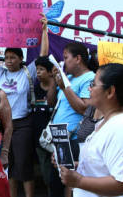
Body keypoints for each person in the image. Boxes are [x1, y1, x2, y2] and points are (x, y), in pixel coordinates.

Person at [0, 12, 48, 197]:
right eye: (6, 58)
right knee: (8, 163)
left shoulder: (28, 72)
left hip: (22, 124)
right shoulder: (0, 73)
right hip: (2, 126)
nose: (9, 61)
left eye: (13, 57)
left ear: (21, 59)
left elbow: (43, 55)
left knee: (23, 163)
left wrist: (44, 31)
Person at [59, 63, 123, 197]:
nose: (89, 89)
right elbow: (103, 166)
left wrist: (79, 181)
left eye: (93, 84)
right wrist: (77, 167)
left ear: (110, 91)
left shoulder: (122, 128)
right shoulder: (107, 122)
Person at [47, 42, 95, 197]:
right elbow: (50, 102)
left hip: (73, 139)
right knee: (55, 183)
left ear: (78, 59)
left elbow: (84, 108)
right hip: (59, 138)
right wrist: (56, 81)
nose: (64, 61)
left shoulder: (90, 78)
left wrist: (65, 87)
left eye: (66, 58)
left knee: (70, 184)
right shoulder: (67, 77)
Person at [33, 56, 55, 194]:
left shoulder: (59, 87)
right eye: (37, 69)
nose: (38, 72)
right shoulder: (35, 87)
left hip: (56, 136)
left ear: (50, 72)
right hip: (40, 137)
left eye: (41, 69)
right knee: (45, 170)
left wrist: (53, 83)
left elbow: (52, 103)